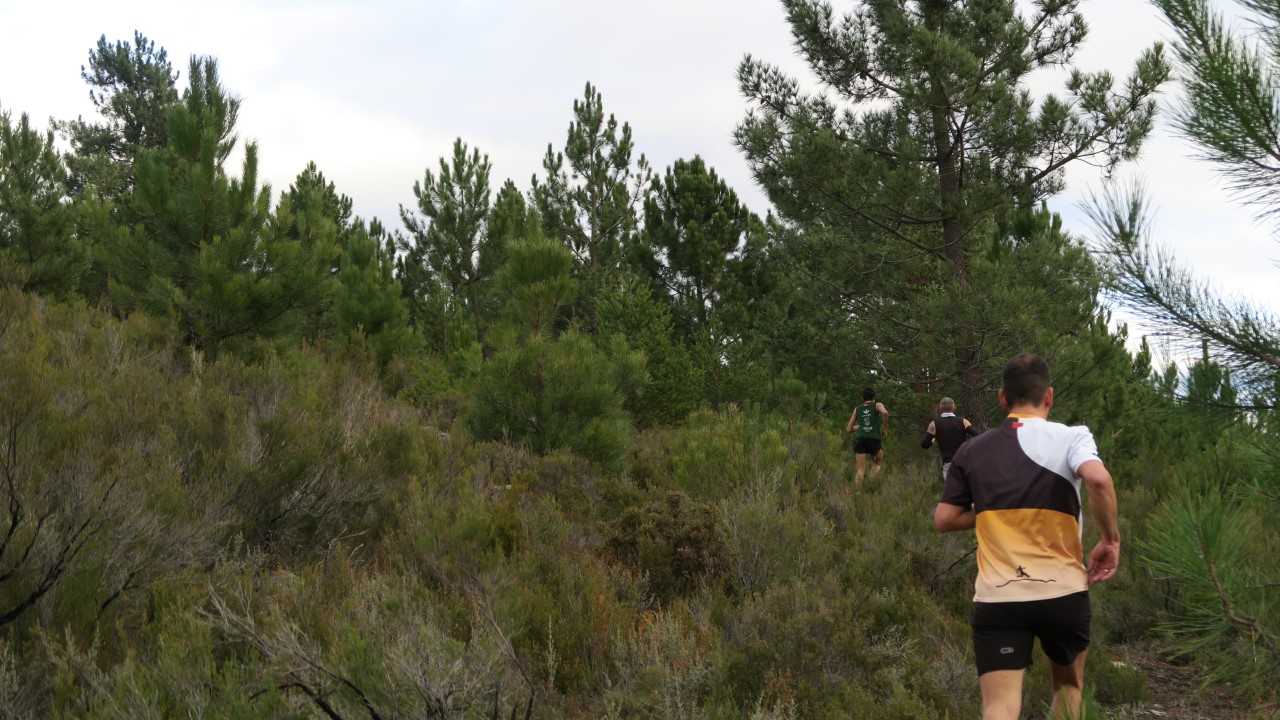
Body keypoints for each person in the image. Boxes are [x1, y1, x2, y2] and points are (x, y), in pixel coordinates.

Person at [932, 354, 1121, 720]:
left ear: (1003, 398)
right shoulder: (1072, 437)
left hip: (999, 596)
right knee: (1068, 689)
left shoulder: (973, 450)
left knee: (1000, 707)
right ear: (1048, 396)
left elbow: (943, 519)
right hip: (1063, 592)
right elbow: (1098, 480)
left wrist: (990, 509)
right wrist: (1110, 540)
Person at [920, 396, 980, 481]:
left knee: (952, 492)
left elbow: (924, 445)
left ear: (940, 408)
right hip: (964, 463)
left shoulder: (934, 424)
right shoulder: (963, 421)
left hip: (949, 464)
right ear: (954, 407)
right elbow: (978, 436)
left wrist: (933, 440)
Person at [846, 387, 890, 488]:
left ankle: (857, 492)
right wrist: (885, 429)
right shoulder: (877, 404)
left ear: (863, 398)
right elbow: (885, 413)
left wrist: (860, 427)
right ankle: (870, 483)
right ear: (874, 397)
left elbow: (848, 429)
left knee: (860, 469)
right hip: (873, 439)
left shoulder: (857, 409)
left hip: (860, 439)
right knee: (878, 460)